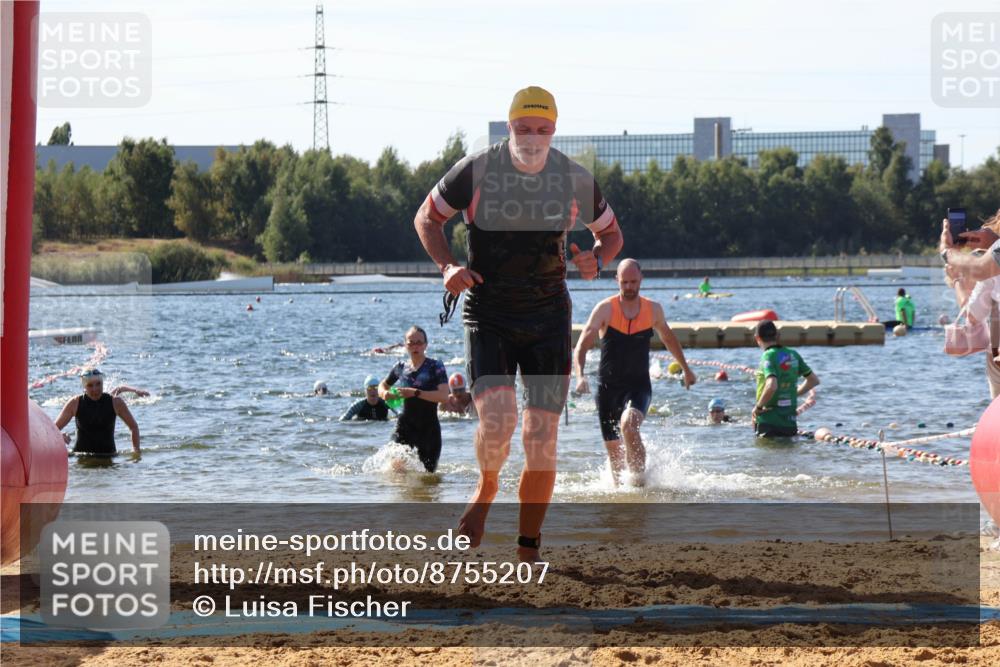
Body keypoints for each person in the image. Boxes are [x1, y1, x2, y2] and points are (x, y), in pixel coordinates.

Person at [412, 85, 623, 561]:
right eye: (523, 129)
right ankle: (486, 491)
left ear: (554, 131)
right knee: (498, 423)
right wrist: (448, 267)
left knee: (541, 437)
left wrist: (596, 259)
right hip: (489, 314)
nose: (532, 138)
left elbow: (610, 234)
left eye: (542, 130)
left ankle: (528, 547)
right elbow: (427, 218)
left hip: (549, 318)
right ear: (509, 128)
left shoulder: (573, 178)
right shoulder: (477, 170)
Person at [574, 259, 694, 486]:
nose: (629, 287)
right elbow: (581, 345)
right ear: (616, 281)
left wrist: (686, 369)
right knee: (616, 459)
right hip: (607, 390)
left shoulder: (653, 309)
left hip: (638, 386)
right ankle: (624, 504)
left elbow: (668, 338)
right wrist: (580, 376)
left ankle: (639, 486)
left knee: (629, 425)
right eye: (624, 282)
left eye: (633, 282)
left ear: (641, 280)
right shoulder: (605, 309)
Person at [378, 326, 450, 472]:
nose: (415, 346)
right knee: (395, 468)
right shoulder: (400, 367)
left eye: (419, 342)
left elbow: (443, 396)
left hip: (429, 430)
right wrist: (385, 394)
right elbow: (382, 385)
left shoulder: (436, 366)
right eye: (411, 343)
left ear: (425, 345)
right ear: (405, 345)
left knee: (428, 478)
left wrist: (416, 393)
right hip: (404, 427)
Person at [751, 320, 820, 438]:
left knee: (767, 454)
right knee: (787, 454)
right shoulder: (793, 354)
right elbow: (813, 380)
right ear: (777, 335)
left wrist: (758, 407)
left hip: (769, 422)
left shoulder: (768, 355)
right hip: (789, 422)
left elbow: (771, 385)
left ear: (757, 337)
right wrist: (793, 393)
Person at [54, 368, 141, 456]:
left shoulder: (116, 402)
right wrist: (60, 436)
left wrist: (136, 452)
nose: (95, 389)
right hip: (82, 459)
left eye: (98, 384)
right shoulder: (75, 403)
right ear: (84, 386)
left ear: (102, 383)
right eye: (90, 385)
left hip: (109, 459)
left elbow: (134, 427)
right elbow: (52, 429)